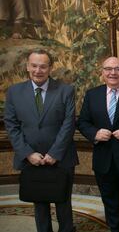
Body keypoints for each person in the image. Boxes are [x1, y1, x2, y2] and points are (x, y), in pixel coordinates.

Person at [4, 48, 78, 232]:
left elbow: (69, 124)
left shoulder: (66, 90)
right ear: (28, 66)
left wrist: (54, 153)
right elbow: (12, 126)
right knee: (39, 204)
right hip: (31, 159)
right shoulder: (14, 92)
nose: (38, 70)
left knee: (63, 203)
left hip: (61, 158)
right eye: (34, 66)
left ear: (50, 67)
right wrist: (28, 153)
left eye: (43, 66)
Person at [77, 57, 119, 232]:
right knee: (109, 201)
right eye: (108, 69)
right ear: (102, 72)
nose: (113, 73)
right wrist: (95, 133)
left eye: (118, 69)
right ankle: (114, 228)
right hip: (103, 160)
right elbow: (83, 122)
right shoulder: (92, 94)